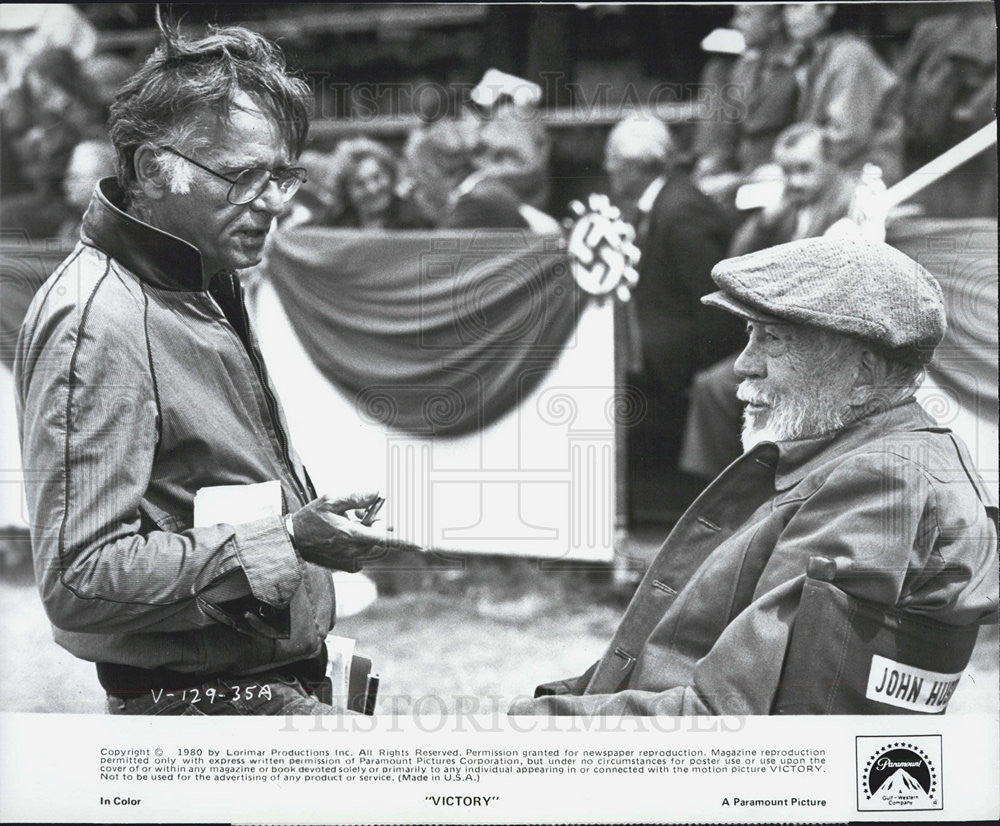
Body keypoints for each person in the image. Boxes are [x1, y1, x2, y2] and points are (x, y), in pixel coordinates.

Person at [14, 23, 419, 716]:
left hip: (254, 687)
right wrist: (289, 539)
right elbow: (80, 579)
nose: (270, 202)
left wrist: (304, 523)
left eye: (281, 176)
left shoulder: (198, 278)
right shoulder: (100, 320)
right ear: (149, 170)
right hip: (205, 706)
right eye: (240, 176)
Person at [510, 236, 998, 715]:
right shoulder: (847, 461)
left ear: (864, 373)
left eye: (774, 339)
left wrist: (534, 732)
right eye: (749, 334)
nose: (745, 364)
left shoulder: (883, 481)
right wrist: (561, 704)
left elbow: (726, 719)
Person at [603, 116, 742, 493]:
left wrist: (699, 369)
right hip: (659, 334)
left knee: (601, 362)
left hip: (683, 350)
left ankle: (613, 491)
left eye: (613, 158)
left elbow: (713, 304)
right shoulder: (658, 202)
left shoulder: (682, 210)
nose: (607, 167)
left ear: (637, 165)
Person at [783, 3, 903, 184]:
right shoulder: (814, 56)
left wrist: (791, 162)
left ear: (828, 8)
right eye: (786, 7)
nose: (788, 15)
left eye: (797, 6)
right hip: (828, 172)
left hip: (863, 177)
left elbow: (847, 136)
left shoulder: (850, 55)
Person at [693, 5, 799, 195]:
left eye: (746, 15)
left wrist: (737, 181)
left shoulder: (800, 68)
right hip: (740, 180)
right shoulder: (744, 69)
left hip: (782, 182)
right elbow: (727, 133)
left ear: (774, 21)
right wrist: (711, 168)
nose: (736, 23)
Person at [729, 122, 856, 256]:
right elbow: (735, 258)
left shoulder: (849, 201)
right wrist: (764, 224)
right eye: (787, 171)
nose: (795, 181)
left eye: (805, 168)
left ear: (829, 160)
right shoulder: (786, 199)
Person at [315, 137, 427, 230]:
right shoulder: (334, 226)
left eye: (377, 177)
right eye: (359, 184)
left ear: (390, 176)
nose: (372, 189)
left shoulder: (416, 220)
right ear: (346, 191)